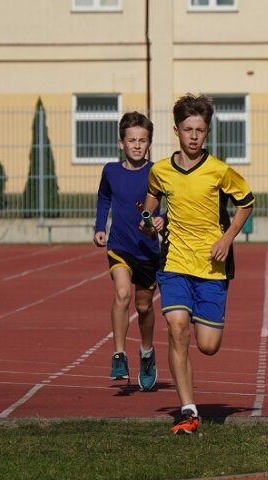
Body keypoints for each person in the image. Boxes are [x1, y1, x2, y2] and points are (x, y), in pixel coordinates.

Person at [143, 94, 254, 434]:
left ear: (207, 132)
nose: (193, 136)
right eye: (188, 129)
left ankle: (190, 401)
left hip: (211, 268)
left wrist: (227, 238)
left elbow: (247, 202)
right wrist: (151, 222)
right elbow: (148, 210)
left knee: (207, 345)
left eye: (200, 130)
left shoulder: (219, 170)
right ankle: (188, 411)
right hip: (174, 262)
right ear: (176, 129)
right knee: (177, 327)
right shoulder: (160, 170)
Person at [93, 111, 160, 391]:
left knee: (143, 306)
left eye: (142, 140)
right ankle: (118, 355)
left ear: (149, 143)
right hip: (119, 245)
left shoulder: (157, 172)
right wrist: (100, 226)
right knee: (122, 293)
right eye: (131, 140)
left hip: (147, 250)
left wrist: (162, 220)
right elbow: (104, 197)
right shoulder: (110, 171)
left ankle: (146, 352)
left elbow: (166, 203)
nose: (136, 145)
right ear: (122, 142)